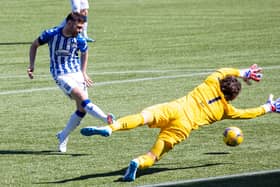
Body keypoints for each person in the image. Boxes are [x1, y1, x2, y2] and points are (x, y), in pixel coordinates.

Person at [80, 64, 280, 181]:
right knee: (153, 154)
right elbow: (249, 113)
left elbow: (222, 70)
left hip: (174, 108)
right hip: (183, 127)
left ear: (221, 83)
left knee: (143, 117)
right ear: (233, 97)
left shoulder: (211, 82)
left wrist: (243, 72)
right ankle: (138, 163)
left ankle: (110, 127)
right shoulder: (225, 110)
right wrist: (269, 107)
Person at [28, 12, 114, 153]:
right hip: (61, 74)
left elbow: (85, 52)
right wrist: (32, 65)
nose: (80, 31)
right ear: (69, 23)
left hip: (76, 74)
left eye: (82, 28)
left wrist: (83, 72)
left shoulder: (79, 39)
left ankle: (63, 136)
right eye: (78, 27)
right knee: (81, 96)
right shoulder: (51, 33)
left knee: (82, 109)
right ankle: (107, 119)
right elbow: (34, 45)